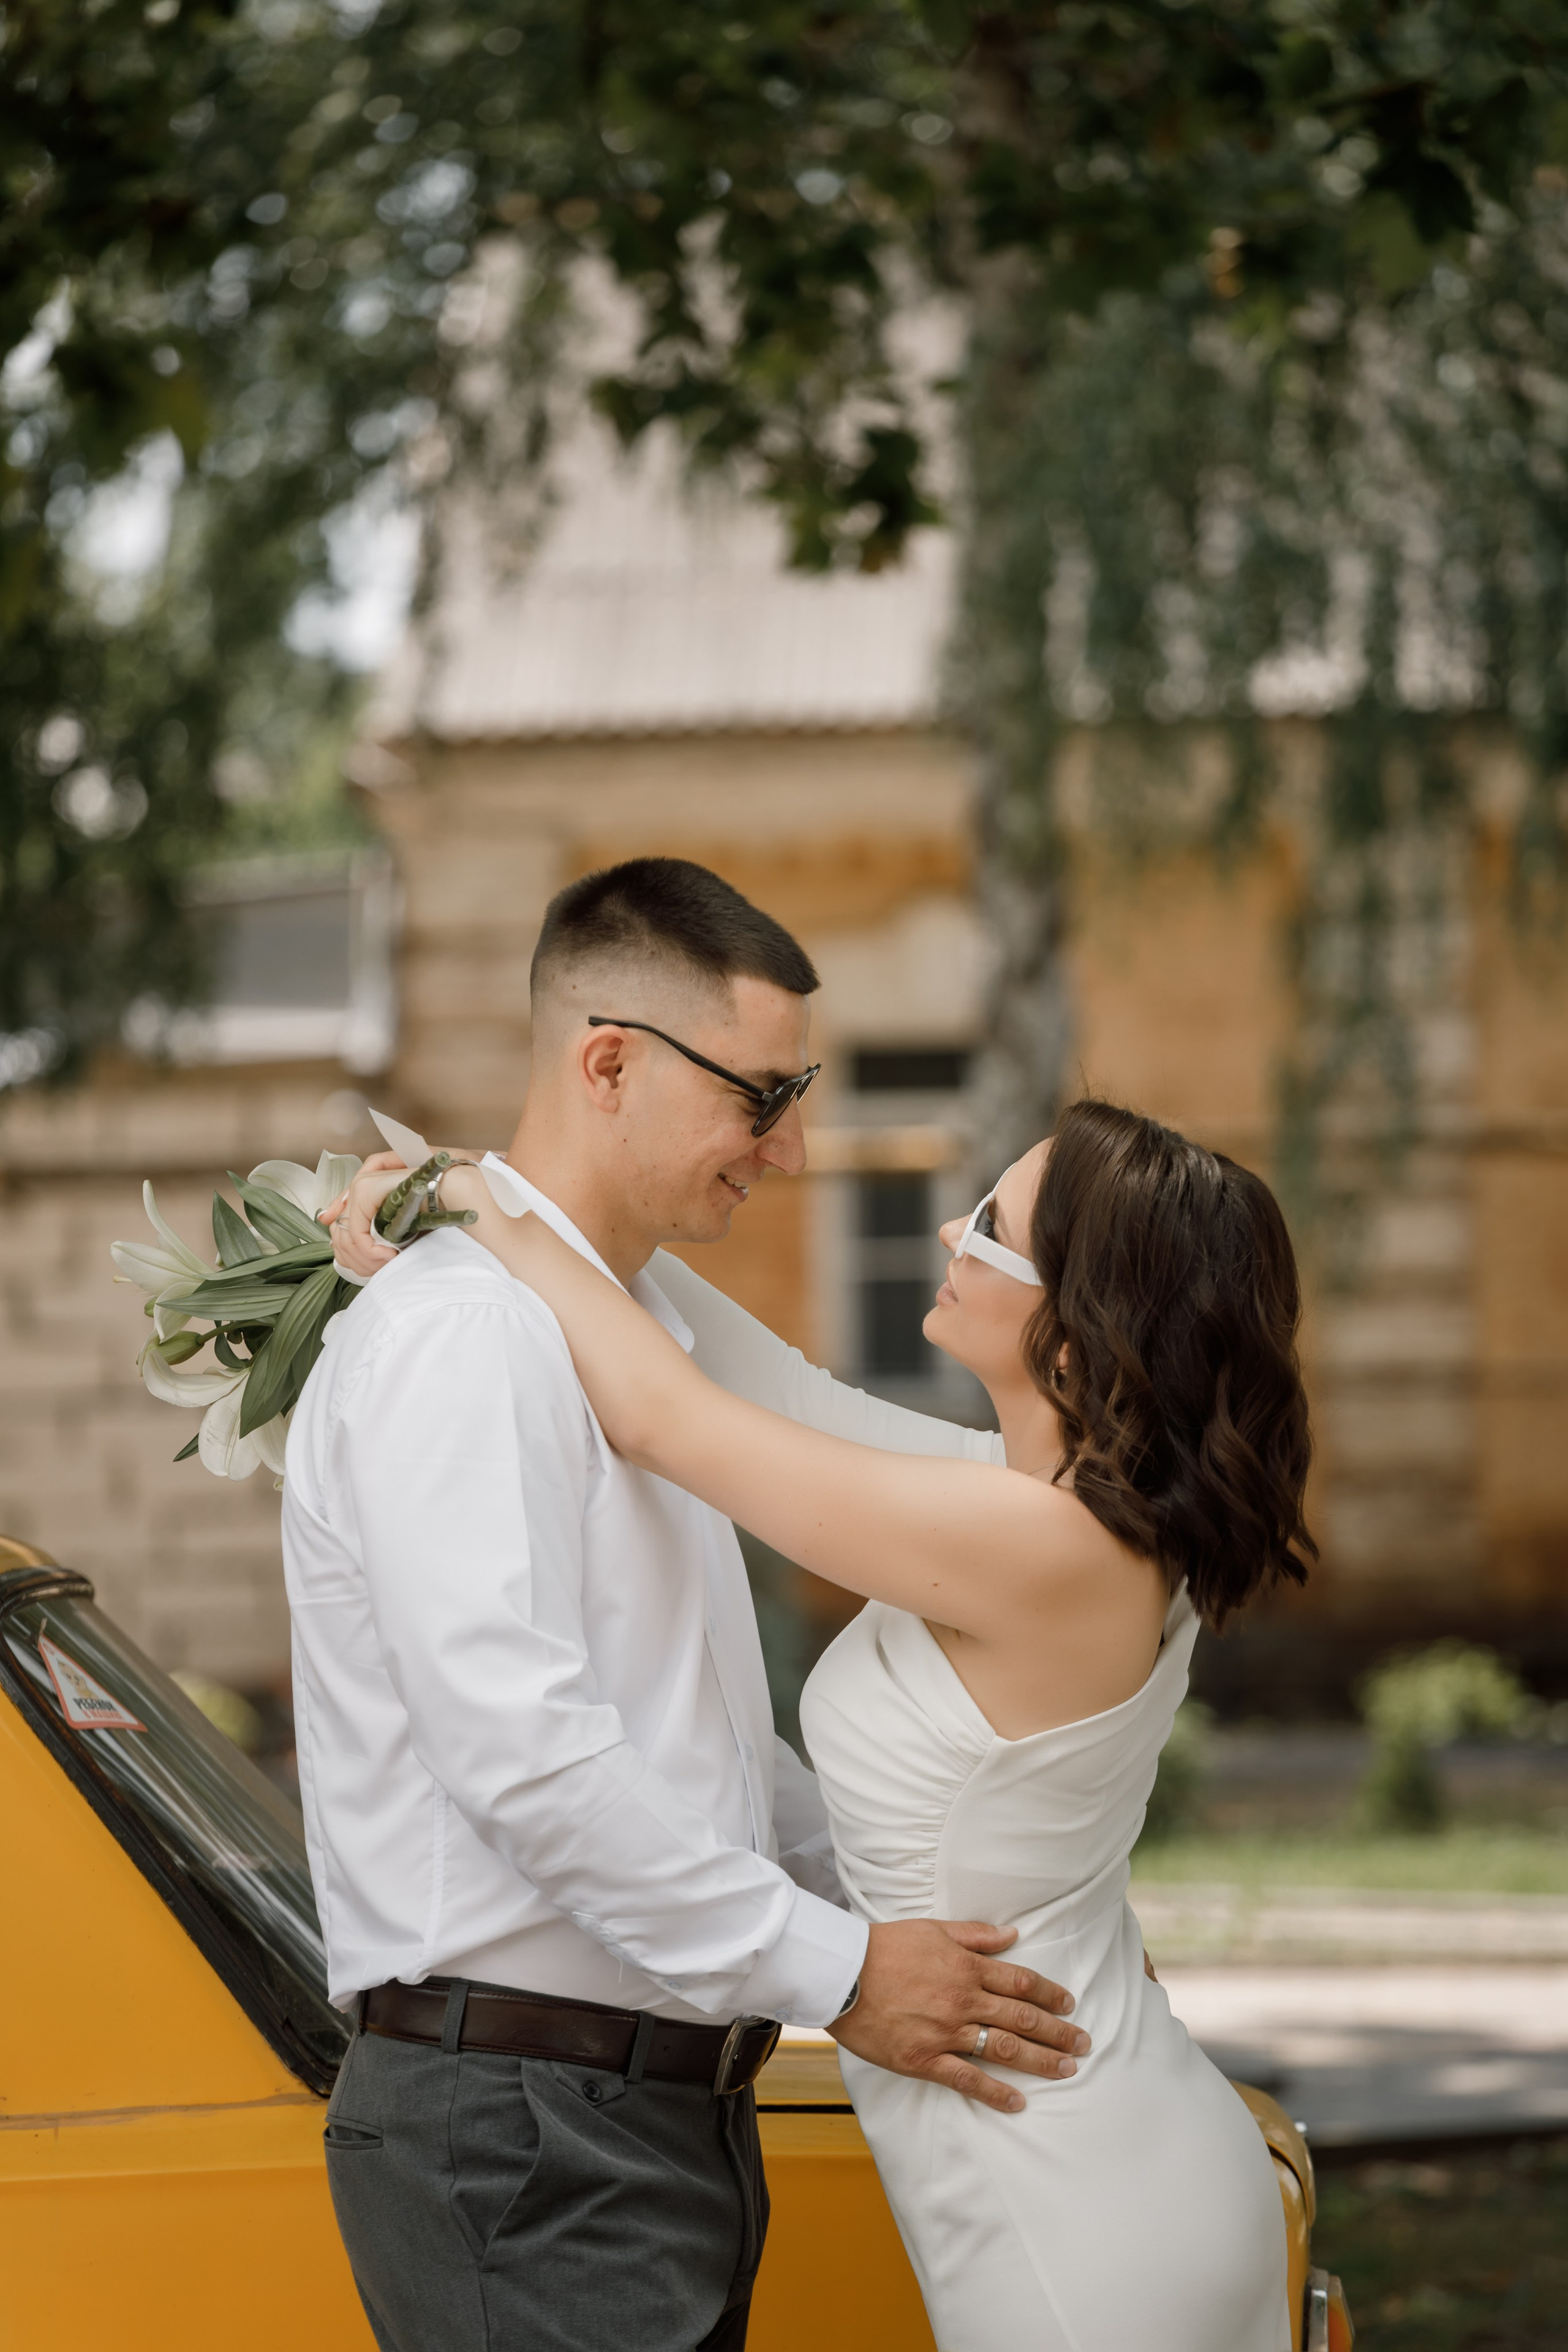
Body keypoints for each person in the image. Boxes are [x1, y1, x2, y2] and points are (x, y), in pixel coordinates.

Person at [335, 1086, 1316, 2352]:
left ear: (1076, 1338)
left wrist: (475, 1207)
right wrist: (517, 1189)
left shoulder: (1045, 1547)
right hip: (1107, 2146)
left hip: (1077, 2213)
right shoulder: (1036, 1506)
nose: (949, 1228)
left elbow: (663, 1417)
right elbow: (762, 1385)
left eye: (993, 1229)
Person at [288, 857, 1086, 2352]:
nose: (787, 1153)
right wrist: (843, 1975)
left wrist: (931, 1921)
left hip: (640, 2119)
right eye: (762, 1099)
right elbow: (524, 1758)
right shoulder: (462, 1339)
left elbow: (701, 1753)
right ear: (609, 1063)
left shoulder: (632, 1337)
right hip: (526, 2130)